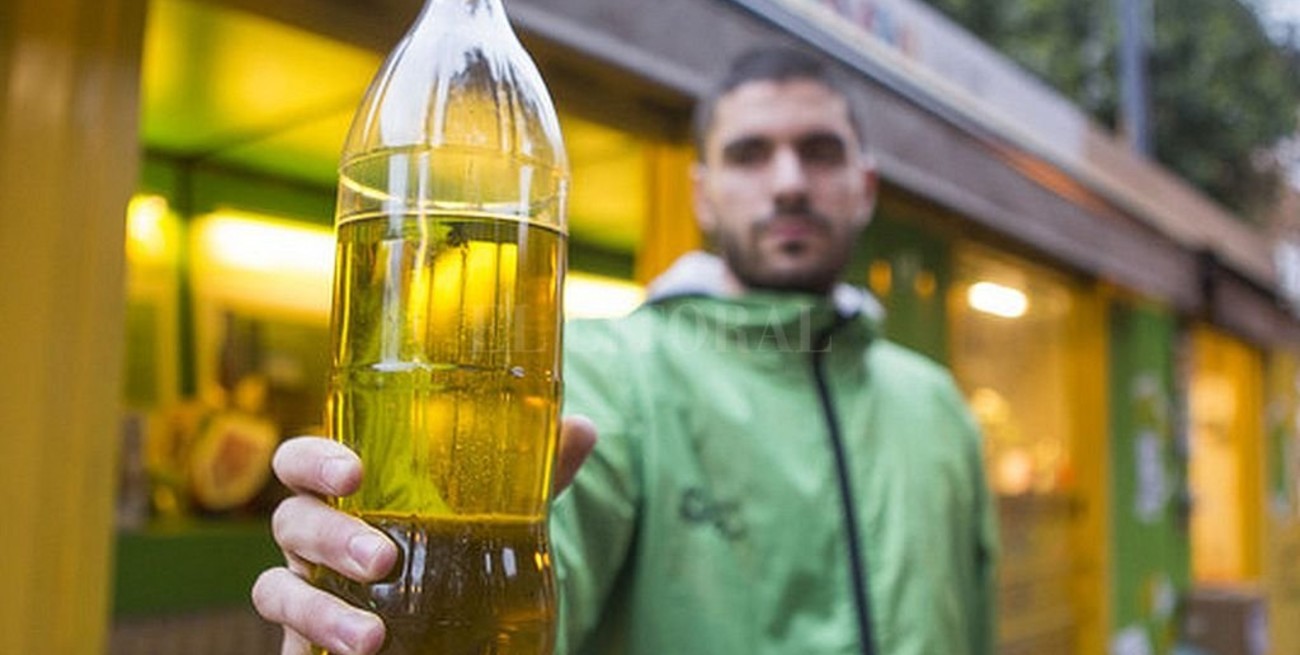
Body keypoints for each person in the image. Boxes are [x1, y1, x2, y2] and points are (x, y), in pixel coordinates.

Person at [252, 46, 999, 655]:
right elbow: (542, 585)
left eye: (820, 152)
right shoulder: (609, 370)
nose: (789, 183)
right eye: (749, 154)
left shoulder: (937, 406)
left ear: (864, 186)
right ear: (702, 194)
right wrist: (385, 609)